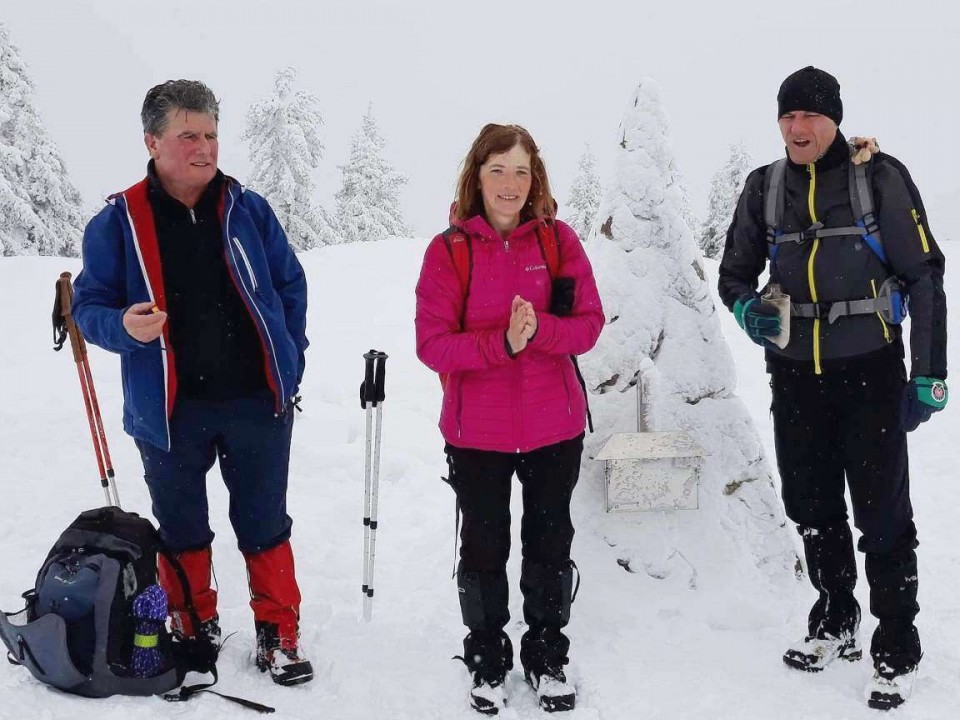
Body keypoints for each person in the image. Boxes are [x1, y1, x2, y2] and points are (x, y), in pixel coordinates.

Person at [718, 67, 948, 710]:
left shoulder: (878, 178)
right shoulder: (764, 188)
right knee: (812, 507)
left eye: (811, 117)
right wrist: (746, 311)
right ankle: (833, 622)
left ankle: (896, 647)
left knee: (881, 513)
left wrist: (930, 372)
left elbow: (925, 276)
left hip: (870, 371)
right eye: (788, 116)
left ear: (835, 120)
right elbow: (733, 274)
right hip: (794, 376)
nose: (798, 128)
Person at [72, 80, 313, 687]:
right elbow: (88, 306)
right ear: (152, 142)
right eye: (189, 136)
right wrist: (124, 326)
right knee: (180, 525)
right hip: (170, 410)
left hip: (256, 402)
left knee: (265, 521)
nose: (205, 147)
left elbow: (290, 287)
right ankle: (192, 623)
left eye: (210, 134)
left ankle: (278, 633)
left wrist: (291, 359)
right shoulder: (119, 220)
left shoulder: (247, 208)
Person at [415, 124, 604, 714]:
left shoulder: (558, 242)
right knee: (484, 545)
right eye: (498, 169)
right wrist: (504, 344)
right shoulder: (449, 249)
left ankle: (548, 655)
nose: (509, 183)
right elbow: (433, 345)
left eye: (521, 171)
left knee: (550, 543)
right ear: (476, 175)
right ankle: (487, 657)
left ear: (535, 179)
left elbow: (589, 325)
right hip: (479, 434)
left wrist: (540, 331)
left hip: (555, 428)